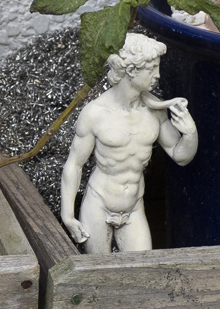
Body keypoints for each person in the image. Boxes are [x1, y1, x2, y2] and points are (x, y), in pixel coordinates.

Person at [60, 33, 197, 253]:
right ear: (132, 70)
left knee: (143, 267)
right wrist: (67, 215)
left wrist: (190, 133)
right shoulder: (96, 113)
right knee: (98, 270)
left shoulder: (155, 111)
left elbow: (180, 156)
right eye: (152, 69)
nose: (158, 75)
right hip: (99, 203)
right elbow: (74, 164)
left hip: (134, 207)